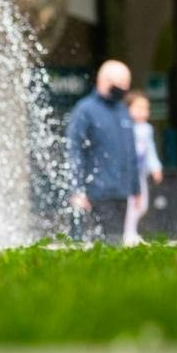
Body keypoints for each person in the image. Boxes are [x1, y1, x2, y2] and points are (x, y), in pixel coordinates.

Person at [64, 60, 139, 243]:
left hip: (122, 191)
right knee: (104, 244)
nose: (123, 89)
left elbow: (130, 152)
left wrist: (135, 188)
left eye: (126, 85)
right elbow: (74, 150)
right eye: (120, 84)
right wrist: (77, 189)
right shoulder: (85, 110)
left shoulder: (123, 110)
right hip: (96, 193)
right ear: (104, 81)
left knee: (116, 242)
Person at [122, 90, 164, 246]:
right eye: (138, 108)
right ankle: (128, 233)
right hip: (126, 174)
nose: (143, 112)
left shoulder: (146, 129)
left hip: (140, 173)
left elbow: (150, 150)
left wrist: (155, 167)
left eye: (146, 108)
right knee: (130, 204)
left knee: (142, 204)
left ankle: (131, 231)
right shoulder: (124, 126)